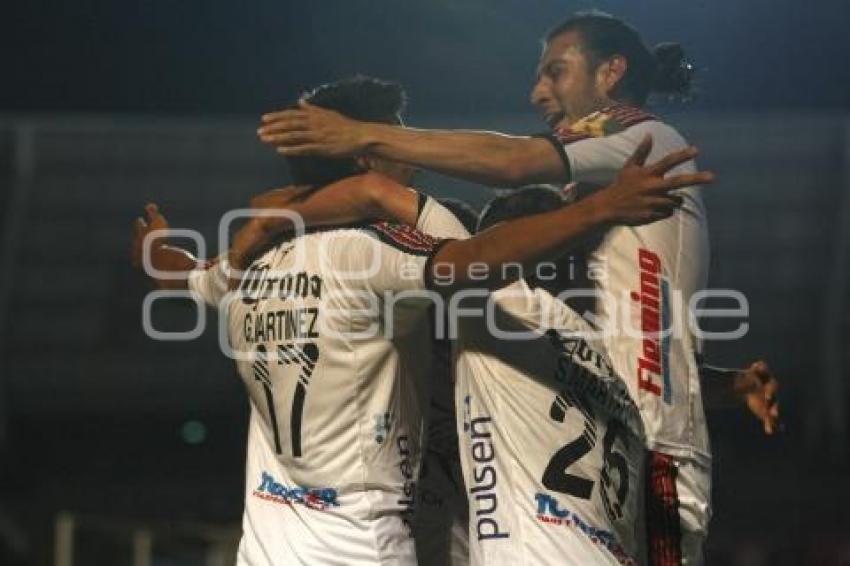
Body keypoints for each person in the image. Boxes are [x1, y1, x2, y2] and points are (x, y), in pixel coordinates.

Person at [133, 76, 710, 565]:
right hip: (362, 546)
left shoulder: (243, 267)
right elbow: (472, 259)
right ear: (365, 156)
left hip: (265, 550)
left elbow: (174, 275)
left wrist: (159, 247)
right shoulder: (369, 251)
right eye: (396, 136)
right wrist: (602, 208)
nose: (408, 149)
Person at [257, 11, 719, 564]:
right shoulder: (603, 195)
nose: (538, 92)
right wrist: (717, 381)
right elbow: (614, 330)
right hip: (618, 444)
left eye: (555, 72)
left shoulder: (640, 138)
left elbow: (516, 162)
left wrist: (367, 138)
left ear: (611, 73)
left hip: (652, 443)